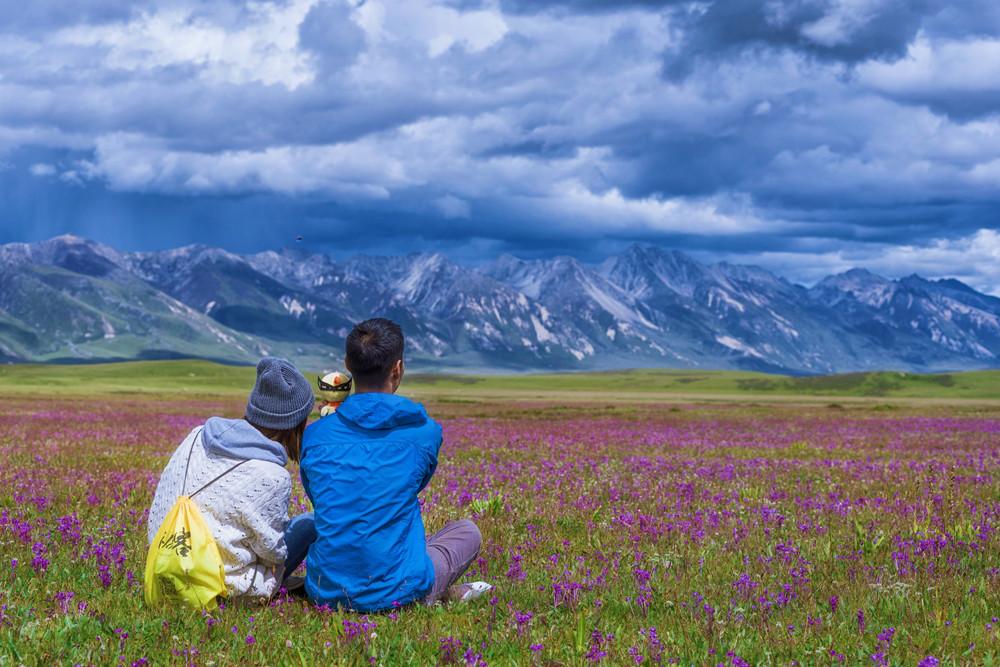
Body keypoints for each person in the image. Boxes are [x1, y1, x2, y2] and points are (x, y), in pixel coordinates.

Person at [300, 317, 491, 612]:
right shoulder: (426, 433)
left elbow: (319, 497)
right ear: (398, 368)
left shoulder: (315, 435)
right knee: (467, 532)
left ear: (347, 366)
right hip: (399, 587)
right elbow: (415, 482)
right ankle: (431, 595)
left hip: (325, 591)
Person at [146, 357, 316, 603]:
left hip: (163, 565)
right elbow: (273, 553)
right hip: (224, 590)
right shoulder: (272, 475)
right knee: (309, 524)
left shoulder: (196, 436)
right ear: (295, 423)